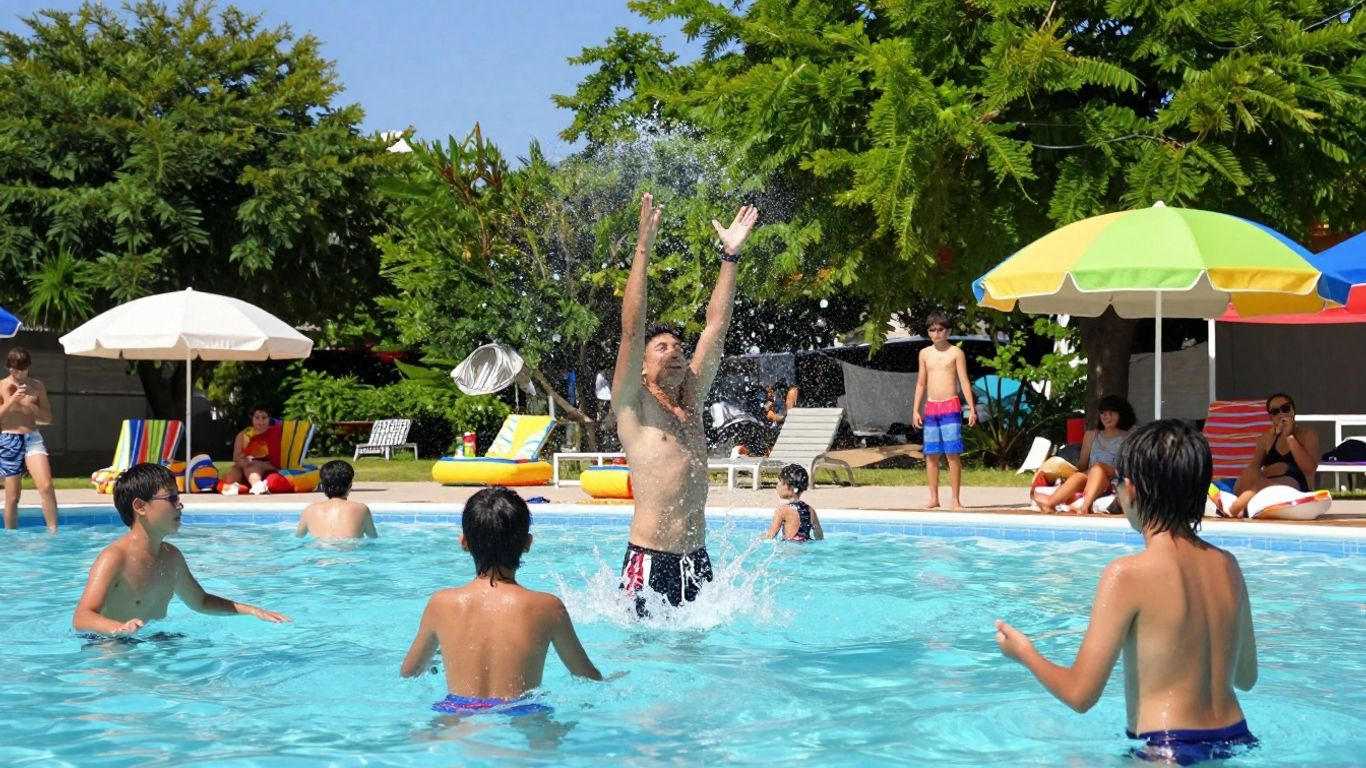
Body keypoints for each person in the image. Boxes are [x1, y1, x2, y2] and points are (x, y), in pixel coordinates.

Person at [995, 419, 1259, 765]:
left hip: (1167, 747)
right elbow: (1246, 677)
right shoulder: (1228, 565)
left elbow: (1080, 694)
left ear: (1130, 489)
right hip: (1237, 738)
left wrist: (1025, 653)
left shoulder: (1127, 574)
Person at [612, 193, 759, 613]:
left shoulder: (692, 400)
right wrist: (643, 249)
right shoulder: (634, 405)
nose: (675, 352)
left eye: (678, 346)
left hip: (697, 559)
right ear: (642, 366)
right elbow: (631, 329)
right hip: (649, 559)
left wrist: (730, 256)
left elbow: (717, 324)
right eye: (661, 348)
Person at [400, 486, 602, 715]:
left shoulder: (441, 604)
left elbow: (409, 672)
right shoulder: (548, 607)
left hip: (457, 713)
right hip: (524, 712)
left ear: (464, 542)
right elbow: (587, 676)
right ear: (527, 543)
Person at [72, 463, 291, 635]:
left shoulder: (171, 557)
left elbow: (201, 601)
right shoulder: (115, 558)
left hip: (154, 639)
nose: (179, 505)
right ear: (140, 506)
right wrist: (118, 629)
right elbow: (82, 617)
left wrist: (252, 611)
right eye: (171, 498)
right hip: (114, 642)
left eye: (178, 497)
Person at [911, 313, 977, 509]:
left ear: (948, 331)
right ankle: (934, 498)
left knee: (952, 453)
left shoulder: (956, 353)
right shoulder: (924, 354)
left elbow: (964, 381)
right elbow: (921, 383)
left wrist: (972, 408)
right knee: (931, 454)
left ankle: (955, 499)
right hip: (931, 407)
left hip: (950, 405)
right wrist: (915, 410)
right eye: (932, 330)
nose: (936, 333)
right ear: (928, 332)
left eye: (940, 329)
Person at [1036, 395, 1137, 516]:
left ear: (1121, 414)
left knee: (1098, 467)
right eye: (1103, 413)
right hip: (1092, 477)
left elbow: (1130, 466)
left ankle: (1085, 506)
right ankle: (1050, 504)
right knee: (1079, 476)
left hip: (1115, 477)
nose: (1106, 417)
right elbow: (1083, 465)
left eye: (1111, 413)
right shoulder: (1091, 435)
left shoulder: (1129, 436)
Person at [1227, 393, 1319, 518]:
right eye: (1275, 412)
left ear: (1293, 410)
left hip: (1294, 487)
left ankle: (1234, 508)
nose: (1281, 414)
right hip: (1265, 483)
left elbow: (1309, 470)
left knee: (1262, 484)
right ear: (1271, 417)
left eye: (1285, 408)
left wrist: (1289, 437)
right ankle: (1240, 506)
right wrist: (1269, 470)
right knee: (1252, 474)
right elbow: (1253, 469)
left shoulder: (1307, 435)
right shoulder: (1266, 439)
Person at [0, 347, 59, 531]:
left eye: (23, 370)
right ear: (9, 367)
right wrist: (12, 401)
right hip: (9, 439)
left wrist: (30, 404)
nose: (19, 374)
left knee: (46, 486)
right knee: (12, 497)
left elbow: (48, 418)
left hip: (32, 439)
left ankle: (53, 533)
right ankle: (11, 537)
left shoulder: (37, 386)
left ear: (29, 367)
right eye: (15, 370)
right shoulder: (1, 386)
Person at [295, 460, 377, 539]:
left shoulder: (309, 510)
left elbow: (298, 537)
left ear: (322, 486)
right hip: (350, 547)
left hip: (320, 548)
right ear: (350, 485)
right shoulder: (361, 509)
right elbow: (373, 537)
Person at [223, 403, 279, 494]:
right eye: (257, 418)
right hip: (245, 465)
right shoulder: (243, 435)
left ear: (269, 419)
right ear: (252, 418)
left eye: (264, 418)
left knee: (251, 467)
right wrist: (242, 461)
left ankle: (257, 485)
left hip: (265, 466)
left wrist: (258, 463)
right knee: (234, 471)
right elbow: (236, 458)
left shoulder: (275, 434)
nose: (260, 421)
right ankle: (233, 486)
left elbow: (278, 461)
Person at [761, 464, 824, 541]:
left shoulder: (783, 510)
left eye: (781, 482)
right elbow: (820, 537)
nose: (777, 486)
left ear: (791, 487)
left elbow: (770, 536)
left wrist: (758, 539)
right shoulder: (810, 510)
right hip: (806, 546)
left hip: (789, 547)